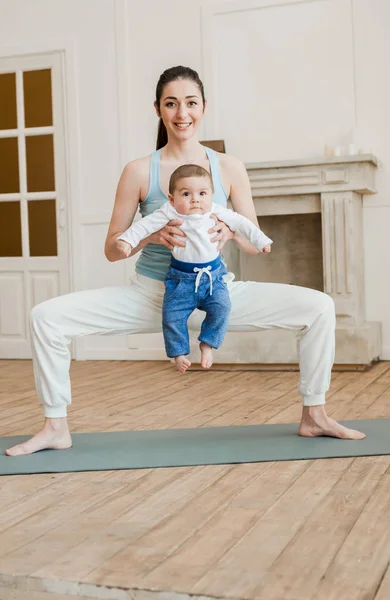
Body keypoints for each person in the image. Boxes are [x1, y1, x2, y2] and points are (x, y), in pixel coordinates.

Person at [5, 65, 365, 457]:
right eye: (171, 104)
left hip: (217, 294)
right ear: (158, 109)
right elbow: (112, 249)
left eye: (190, 103)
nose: (182, 114)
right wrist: (150, 235)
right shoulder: (139, 171)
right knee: (46, 318)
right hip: (153, 296)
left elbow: (253, 240)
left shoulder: (229, 168)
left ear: (204, 106)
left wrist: (231, 234)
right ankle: (55, 425)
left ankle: (315, 414)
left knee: (319, 307)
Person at [117, 163, 273, 372]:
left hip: (213, 277)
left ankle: (208, 343)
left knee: (222, 307)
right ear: (172, 199)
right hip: (180, 278)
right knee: (172, 315)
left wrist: (262, 241)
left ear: (211, 195)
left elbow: (242, 223)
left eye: (202, 193)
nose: (195, 199)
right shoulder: (169, 212)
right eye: (186, 194)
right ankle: (179, 353)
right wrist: (127, 240)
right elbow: (145, 225)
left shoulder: (215, 211)